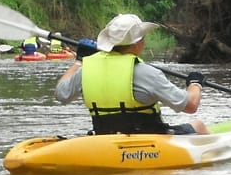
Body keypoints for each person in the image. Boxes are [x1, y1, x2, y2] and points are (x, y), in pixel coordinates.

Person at [54, 14, 209, 134]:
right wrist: (195, 84)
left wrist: (79, 61)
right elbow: (190, 106)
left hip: (104, 138)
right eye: (143, 38)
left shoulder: (86, 69)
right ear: (137, 44)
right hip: (148, 141)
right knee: (199, 125)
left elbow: (61, 94)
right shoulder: (147, 73)